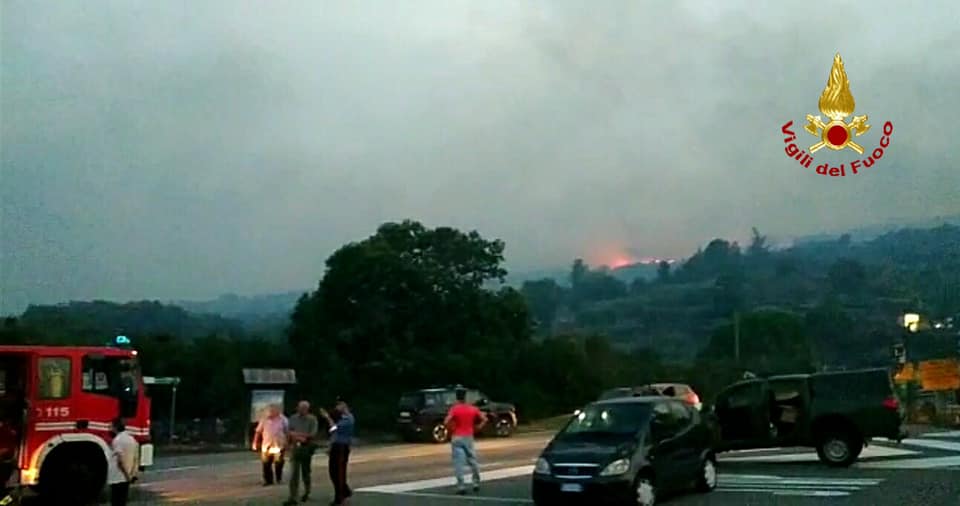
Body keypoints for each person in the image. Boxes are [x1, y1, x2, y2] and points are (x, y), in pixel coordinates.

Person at [444, 388, 486, 495]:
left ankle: (461, 486)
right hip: (468, 436)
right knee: (472, 460)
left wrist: (451, 428)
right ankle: (476, 483)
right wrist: (478, 427)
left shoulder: (454, 409)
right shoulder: (473, 408)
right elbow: (484, 419)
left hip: (457, 436)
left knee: (458, 463)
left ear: (457, 397)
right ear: (465, 397)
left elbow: (446, 421)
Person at [319, 397, 354, 505]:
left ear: (344, 406)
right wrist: (330, 446)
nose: (337, 407)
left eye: (339, 405)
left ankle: (340, 496)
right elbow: (334, 434)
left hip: (342, 447)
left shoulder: (349, 418)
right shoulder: (340, 417)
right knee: (332, 472)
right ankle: (345, 490)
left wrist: (327, 417)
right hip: (336, 446)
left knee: (339, 472)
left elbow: (334, 428)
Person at [284, 400, 319, 505]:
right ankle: (293, 496)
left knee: (306, 472)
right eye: (299, 408)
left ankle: (307, 492)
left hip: (306, 448)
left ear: (307, 409)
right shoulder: (293, 418)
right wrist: (289, 442)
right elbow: (289, 432)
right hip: (295, 448)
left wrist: (297, 435)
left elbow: (312, 434)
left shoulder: (312, 419)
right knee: (294, 473)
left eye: (303, 408)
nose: (301, 410)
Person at [252, 403, 288, 486]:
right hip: (266, 445)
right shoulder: (264, 419)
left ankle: (279, 478)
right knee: (266, 464)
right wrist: (255, 442)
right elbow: (258, 432)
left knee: (279, 463)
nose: (271, 412)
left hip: (279, 445)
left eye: (273, 411)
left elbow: (287, 431)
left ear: (278, 411)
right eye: (269, 411)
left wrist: (287, 442)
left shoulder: (283, 419)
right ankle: (268, 480)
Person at [108, 417, 140, 506]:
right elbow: (136, 459)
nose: (109, 429)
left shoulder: (117, 440)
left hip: (117, 477)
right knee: (123, 501)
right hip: (127, 476)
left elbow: (120, 461)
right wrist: (133, 474)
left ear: (115, 427)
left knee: (116, 501)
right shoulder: (132, 439)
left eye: (110, 427)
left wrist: (127, 475)